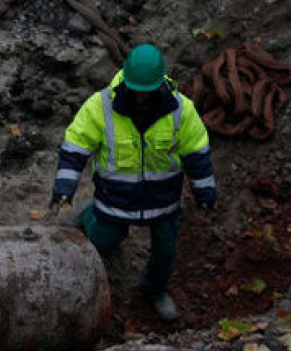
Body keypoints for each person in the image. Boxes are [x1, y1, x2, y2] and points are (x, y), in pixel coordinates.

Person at [49, 44, 217, 321]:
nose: (140, 96)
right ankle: (90, 213)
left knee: (165, 250)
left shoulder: (181, 110)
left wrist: (205, 190)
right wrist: (64, 188)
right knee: (104, 239)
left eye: (146, 90)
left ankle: (155, 290)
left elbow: (196, 153)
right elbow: (75, 147)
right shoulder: (100, 106)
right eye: (136, 89)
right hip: (116, 198)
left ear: (159, 83)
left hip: (162, 199)